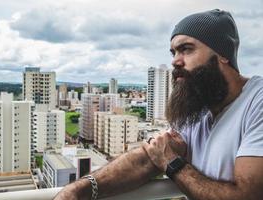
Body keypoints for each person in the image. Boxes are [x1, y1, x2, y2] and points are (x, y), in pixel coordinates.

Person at [54, 9, 263, 200]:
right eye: (174, 52)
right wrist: (79, 189)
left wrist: (173, 163)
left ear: (223, 54)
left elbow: (247, 195)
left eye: (186, 49)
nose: (175, 61)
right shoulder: (199, 109)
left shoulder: (257, 102)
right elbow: (149, 157)